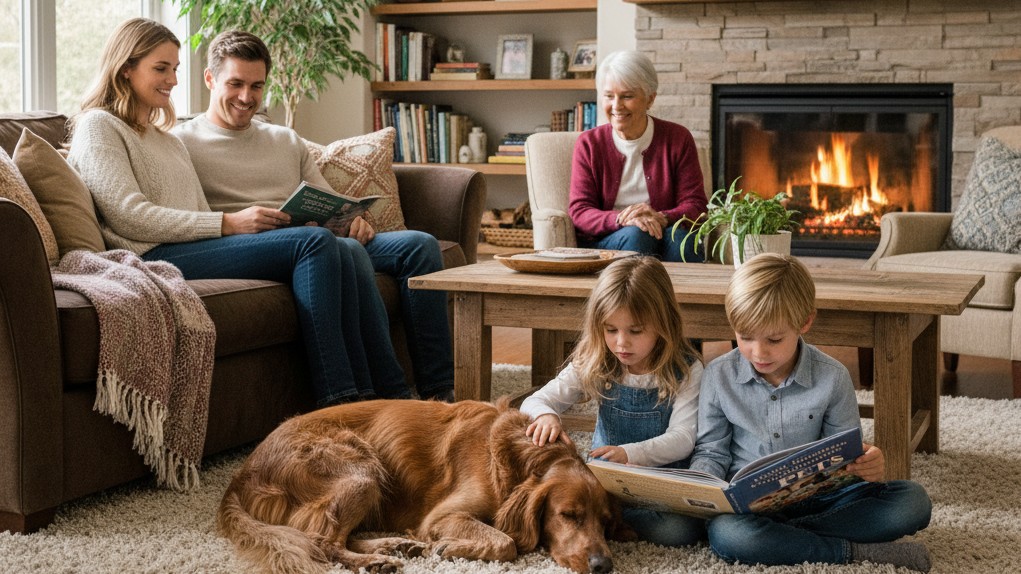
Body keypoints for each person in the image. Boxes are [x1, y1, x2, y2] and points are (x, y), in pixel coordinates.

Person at [67, 18, 410, 408]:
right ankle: (340, 401)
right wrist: (228, 224)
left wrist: (229, 231)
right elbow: (129, 216)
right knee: (313, 242)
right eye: (160, 68)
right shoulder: (99, 126)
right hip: (148, 254)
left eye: (175, 69)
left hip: (192, 246)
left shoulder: (162, 136)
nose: (173, 80)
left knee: (340, 247)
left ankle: (378, 395)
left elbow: (192, 207)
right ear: (125, 68)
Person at [173, 30, 454, 402]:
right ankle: (390, 396)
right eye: (235, 84)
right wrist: (235, 220)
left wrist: (353, 219)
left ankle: (441, 393)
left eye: (256, 86)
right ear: (210, 79)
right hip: (248, 245)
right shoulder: (181, 141)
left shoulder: (284, 139)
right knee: (341, 251)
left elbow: (328, 199)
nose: (247, 97)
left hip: (313, 238)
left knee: (419, 246)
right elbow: (185, 215)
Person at [690, 253, 932, 572]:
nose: (758, 352)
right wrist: (699, 484)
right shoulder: (718, 376)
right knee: (727, 533)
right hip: (749, 509)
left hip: (821, 501)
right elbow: (712, 450)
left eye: (774, 339)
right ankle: (854, 552)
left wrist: (866, 463)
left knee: (912, 501)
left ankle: (782, 542)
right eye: (745, 337)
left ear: (805, 322)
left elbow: (843, 458)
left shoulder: (832, 377)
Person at [520, 256, 705, 547]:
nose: (621, 343)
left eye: (635, 331)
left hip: (661, 487)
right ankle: (605, 519)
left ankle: (608, 521)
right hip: (606, 484)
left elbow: (684, 438)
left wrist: (629, 454)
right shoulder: (596, 359)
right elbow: (536, 400)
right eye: (610, 330)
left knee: (679, 531)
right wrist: (545, 415)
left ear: (663, 323)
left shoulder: (686, 369)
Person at [568, 50, 708, 262]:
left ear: (650, 99)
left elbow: (696, 204)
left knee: (682, 238)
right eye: (609, 96)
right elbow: (580, 211)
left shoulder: (678, 138)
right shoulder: (589, 144)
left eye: (627, 96)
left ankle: (684, 296)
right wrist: (623, 219)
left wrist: (661, 217)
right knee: (638, 235)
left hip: (665, 229)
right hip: (609, 237)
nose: (616, 106)